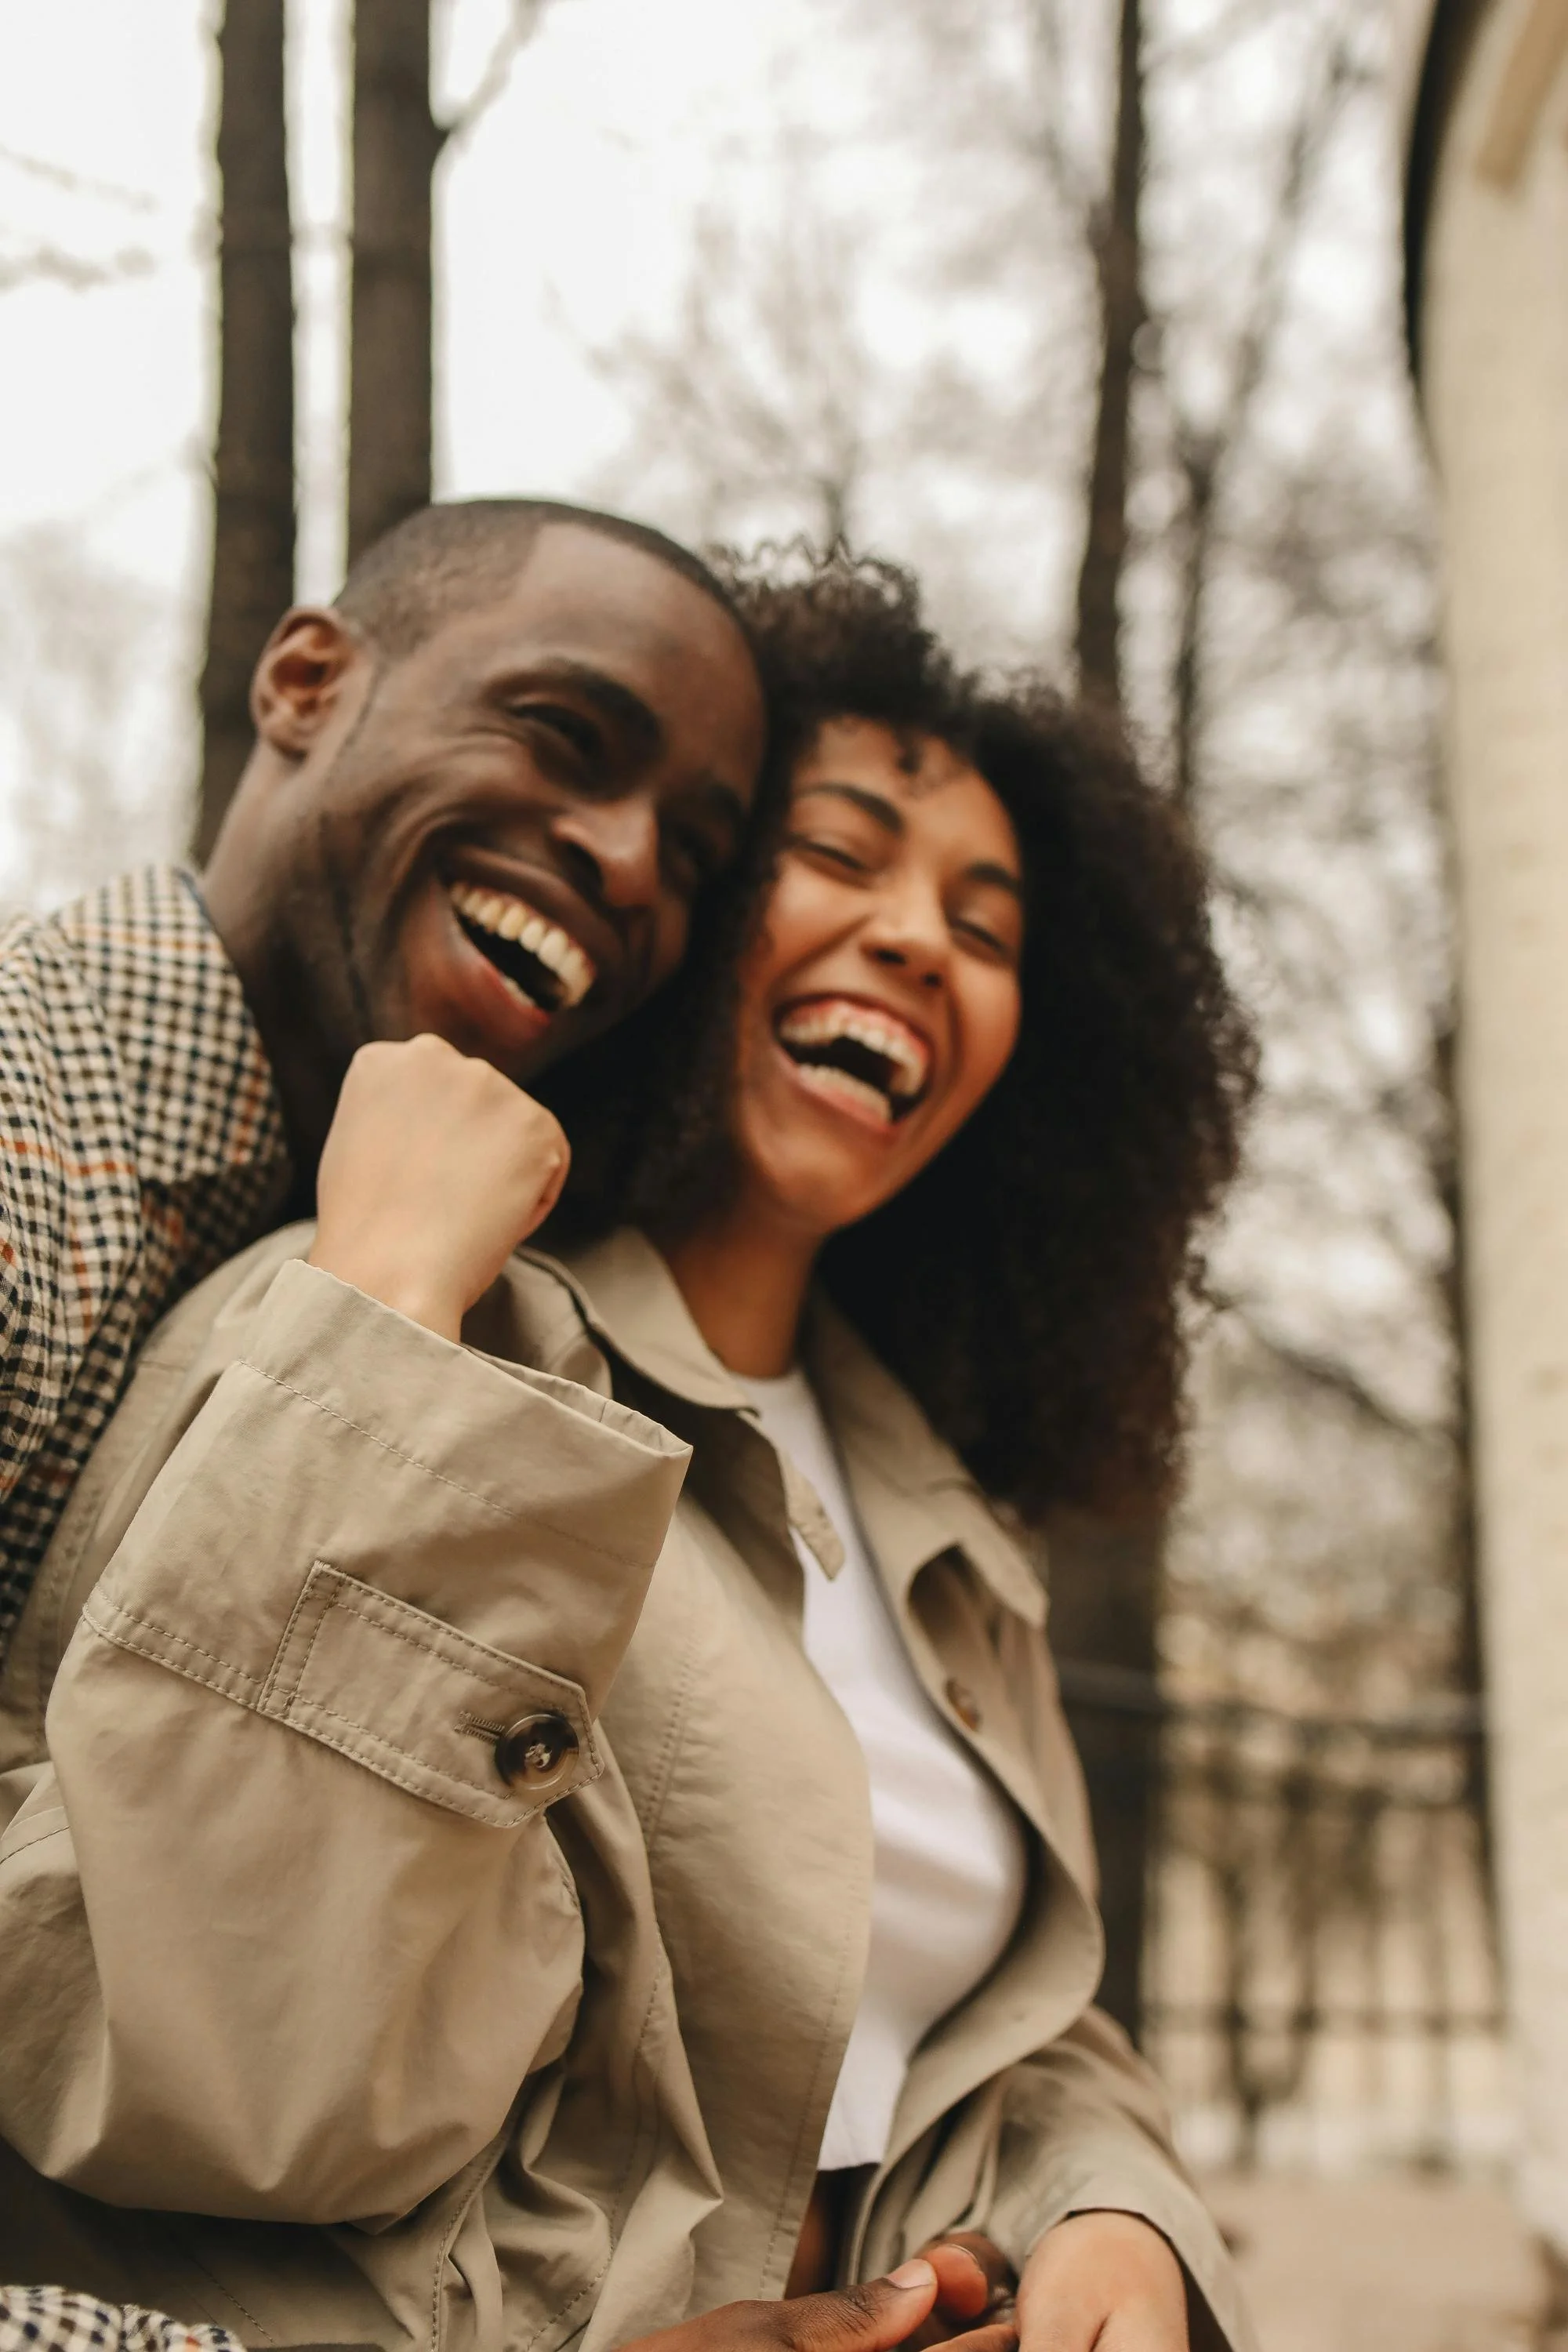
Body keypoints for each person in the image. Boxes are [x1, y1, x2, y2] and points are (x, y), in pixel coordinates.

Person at [0, 555, 1256, 2352]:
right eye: (837, 859)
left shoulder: (951, 1540)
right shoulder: (389, 1319)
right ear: (689, 919)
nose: (915, 938)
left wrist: (1112, 2218)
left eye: (986, 930)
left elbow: (1011, 2032)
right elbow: (175, 2041)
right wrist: (375, 1347)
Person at [0, 495, 766, 1664]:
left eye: (692, 854)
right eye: (564, 735)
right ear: (308, 684)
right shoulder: (25, 1120)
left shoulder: (483, 1286)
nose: (629, 866)